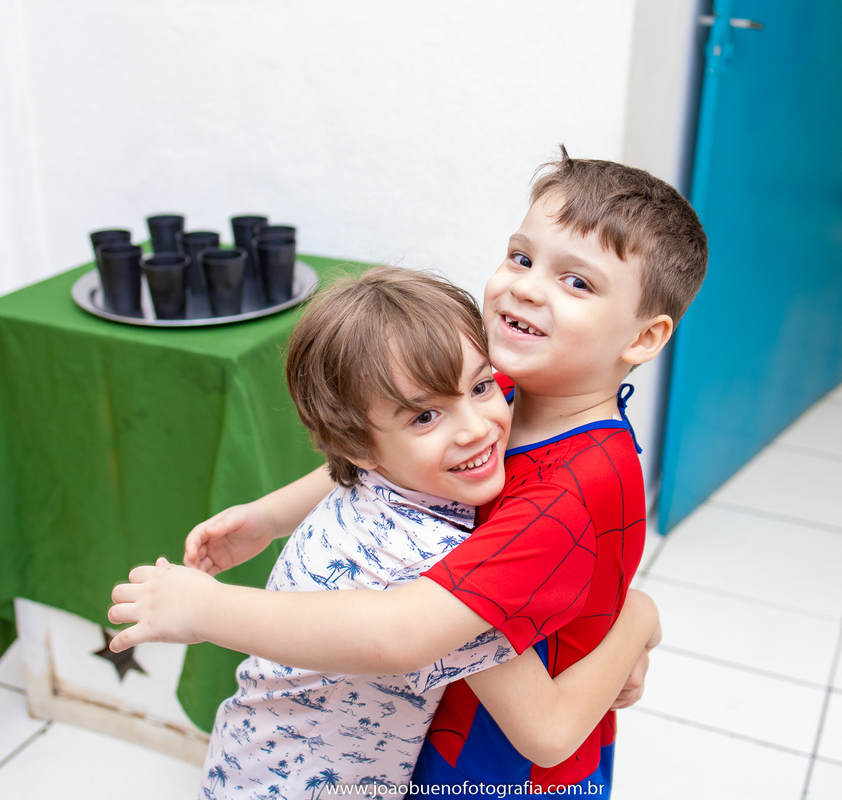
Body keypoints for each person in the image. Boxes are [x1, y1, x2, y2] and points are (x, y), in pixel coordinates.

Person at [111, 146, 707, 795]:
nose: (528, 286)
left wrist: (638, 615)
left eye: (578, 282)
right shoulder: (500, 391)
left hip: (498, 771)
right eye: (522, 257)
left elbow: (424, 647)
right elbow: (401, 461)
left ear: (643, 338)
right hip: (431, 731)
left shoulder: (562, 491)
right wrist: (269, 517)